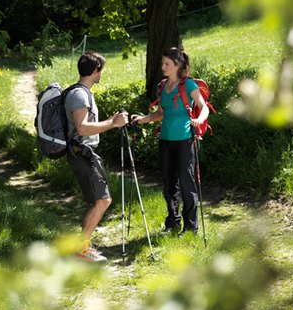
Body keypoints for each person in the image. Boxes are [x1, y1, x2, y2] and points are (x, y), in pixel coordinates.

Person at [131, 47, 209, 236]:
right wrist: (142, 119)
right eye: (162, 63)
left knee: (186, 184)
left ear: (178, 65)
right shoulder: (162, 86)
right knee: (168, 185)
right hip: (165, 140)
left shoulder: (188, 85)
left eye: (167, 64)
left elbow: (204, 107)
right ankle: (172, 223)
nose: (163, 67)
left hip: (184, 141)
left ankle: (191, 228)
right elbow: (160, 113)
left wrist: (199, 120)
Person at [64, 51, 128, 262]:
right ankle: (82, 250)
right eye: (101, 69)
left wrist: (112, 121)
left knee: (99, 200)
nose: (102, 73)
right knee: (103, 200)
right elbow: (82, 128)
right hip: (81, 153)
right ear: (94, 71)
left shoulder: (82, 93)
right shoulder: (79, 95)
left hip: (83, 153)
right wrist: (113, 123)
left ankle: (83, 246)